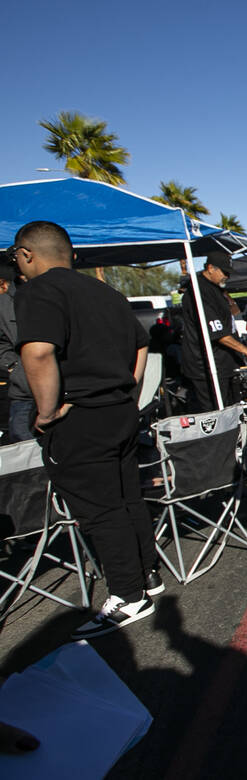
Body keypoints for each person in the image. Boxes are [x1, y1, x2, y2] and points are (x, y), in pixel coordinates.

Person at [9, 221, 164, 639]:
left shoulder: (39, 291)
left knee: (101, 508)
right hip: (118, 410)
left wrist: (45, 412)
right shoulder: (106, 293)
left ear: (26, 254)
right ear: (72, 255)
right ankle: (146, 574)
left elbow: (38, 351)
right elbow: (142, 343)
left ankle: (129, 595)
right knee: (128, 496)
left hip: (80, 414)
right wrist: (129, 393)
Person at [179, 249, 247, 411]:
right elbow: (218, 333)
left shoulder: (215, 288)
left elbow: (233, 315)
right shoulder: (198, 291)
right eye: (224, 272)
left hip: (225, 363)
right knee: (217, 412)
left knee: (233, 409)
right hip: (207, 366)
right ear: (211, 268)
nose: (227, 276)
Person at [0, 261, 34, 441]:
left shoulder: (62, 292)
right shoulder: (4, 302)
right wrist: (13, 365)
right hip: (25, 394)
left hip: (69, 391)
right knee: (24, 448)